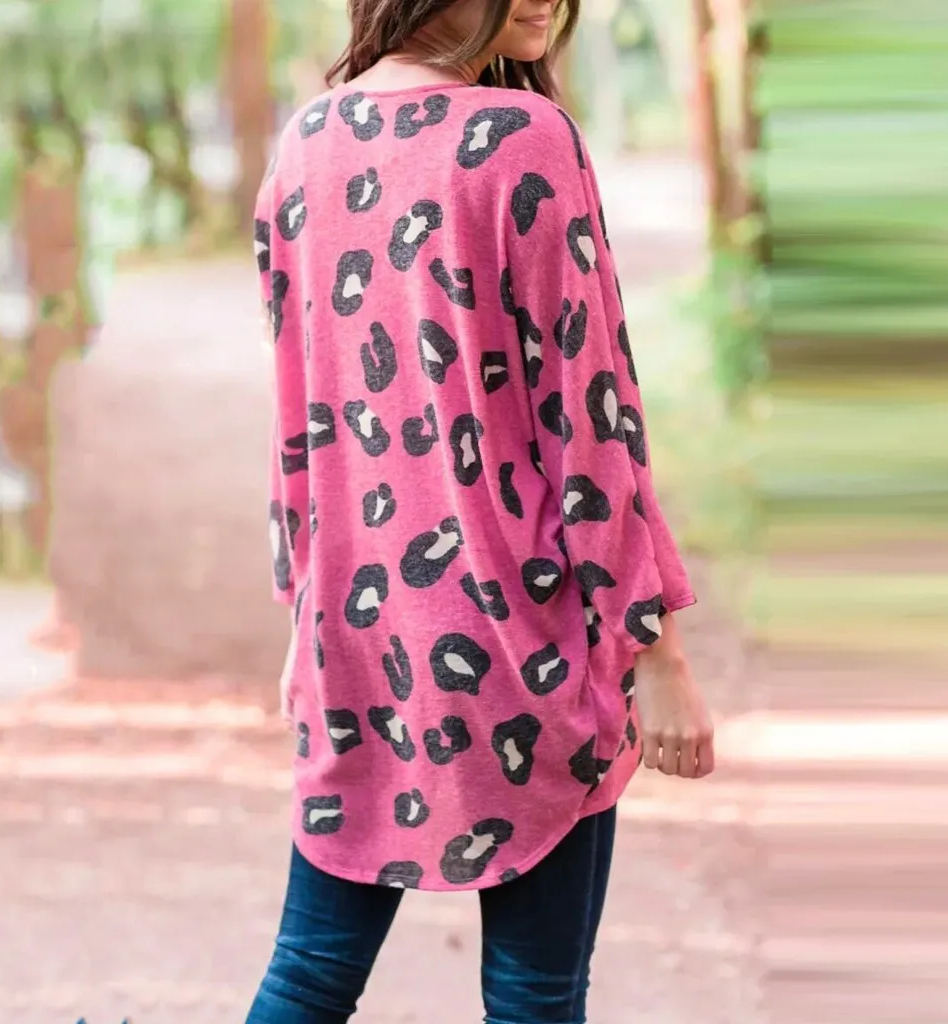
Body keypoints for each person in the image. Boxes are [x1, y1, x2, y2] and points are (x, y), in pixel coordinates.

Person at [248, 2, 715, 1021]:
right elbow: (592, 418)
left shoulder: (306, 143)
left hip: (361, 640)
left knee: (309, 972)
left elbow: (301, 419)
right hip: (523, 641)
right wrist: (655, 649)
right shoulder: (524, 140)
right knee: (534, 995)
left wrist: (307, 619)